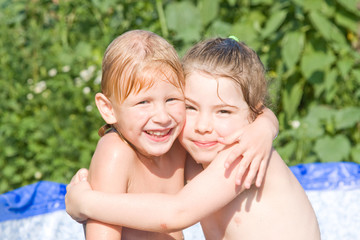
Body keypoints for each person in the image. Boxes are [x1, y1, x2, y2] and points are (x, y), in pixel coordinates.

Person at [78, 30, 279, 240]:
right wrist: (83, 202)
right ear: (108, 109)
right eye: (143, 102)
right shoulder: (115, 153)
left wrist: (265, 126)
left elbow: (253, 108)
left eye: (172, 99)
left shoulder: (178, 143)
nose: (162, 117)